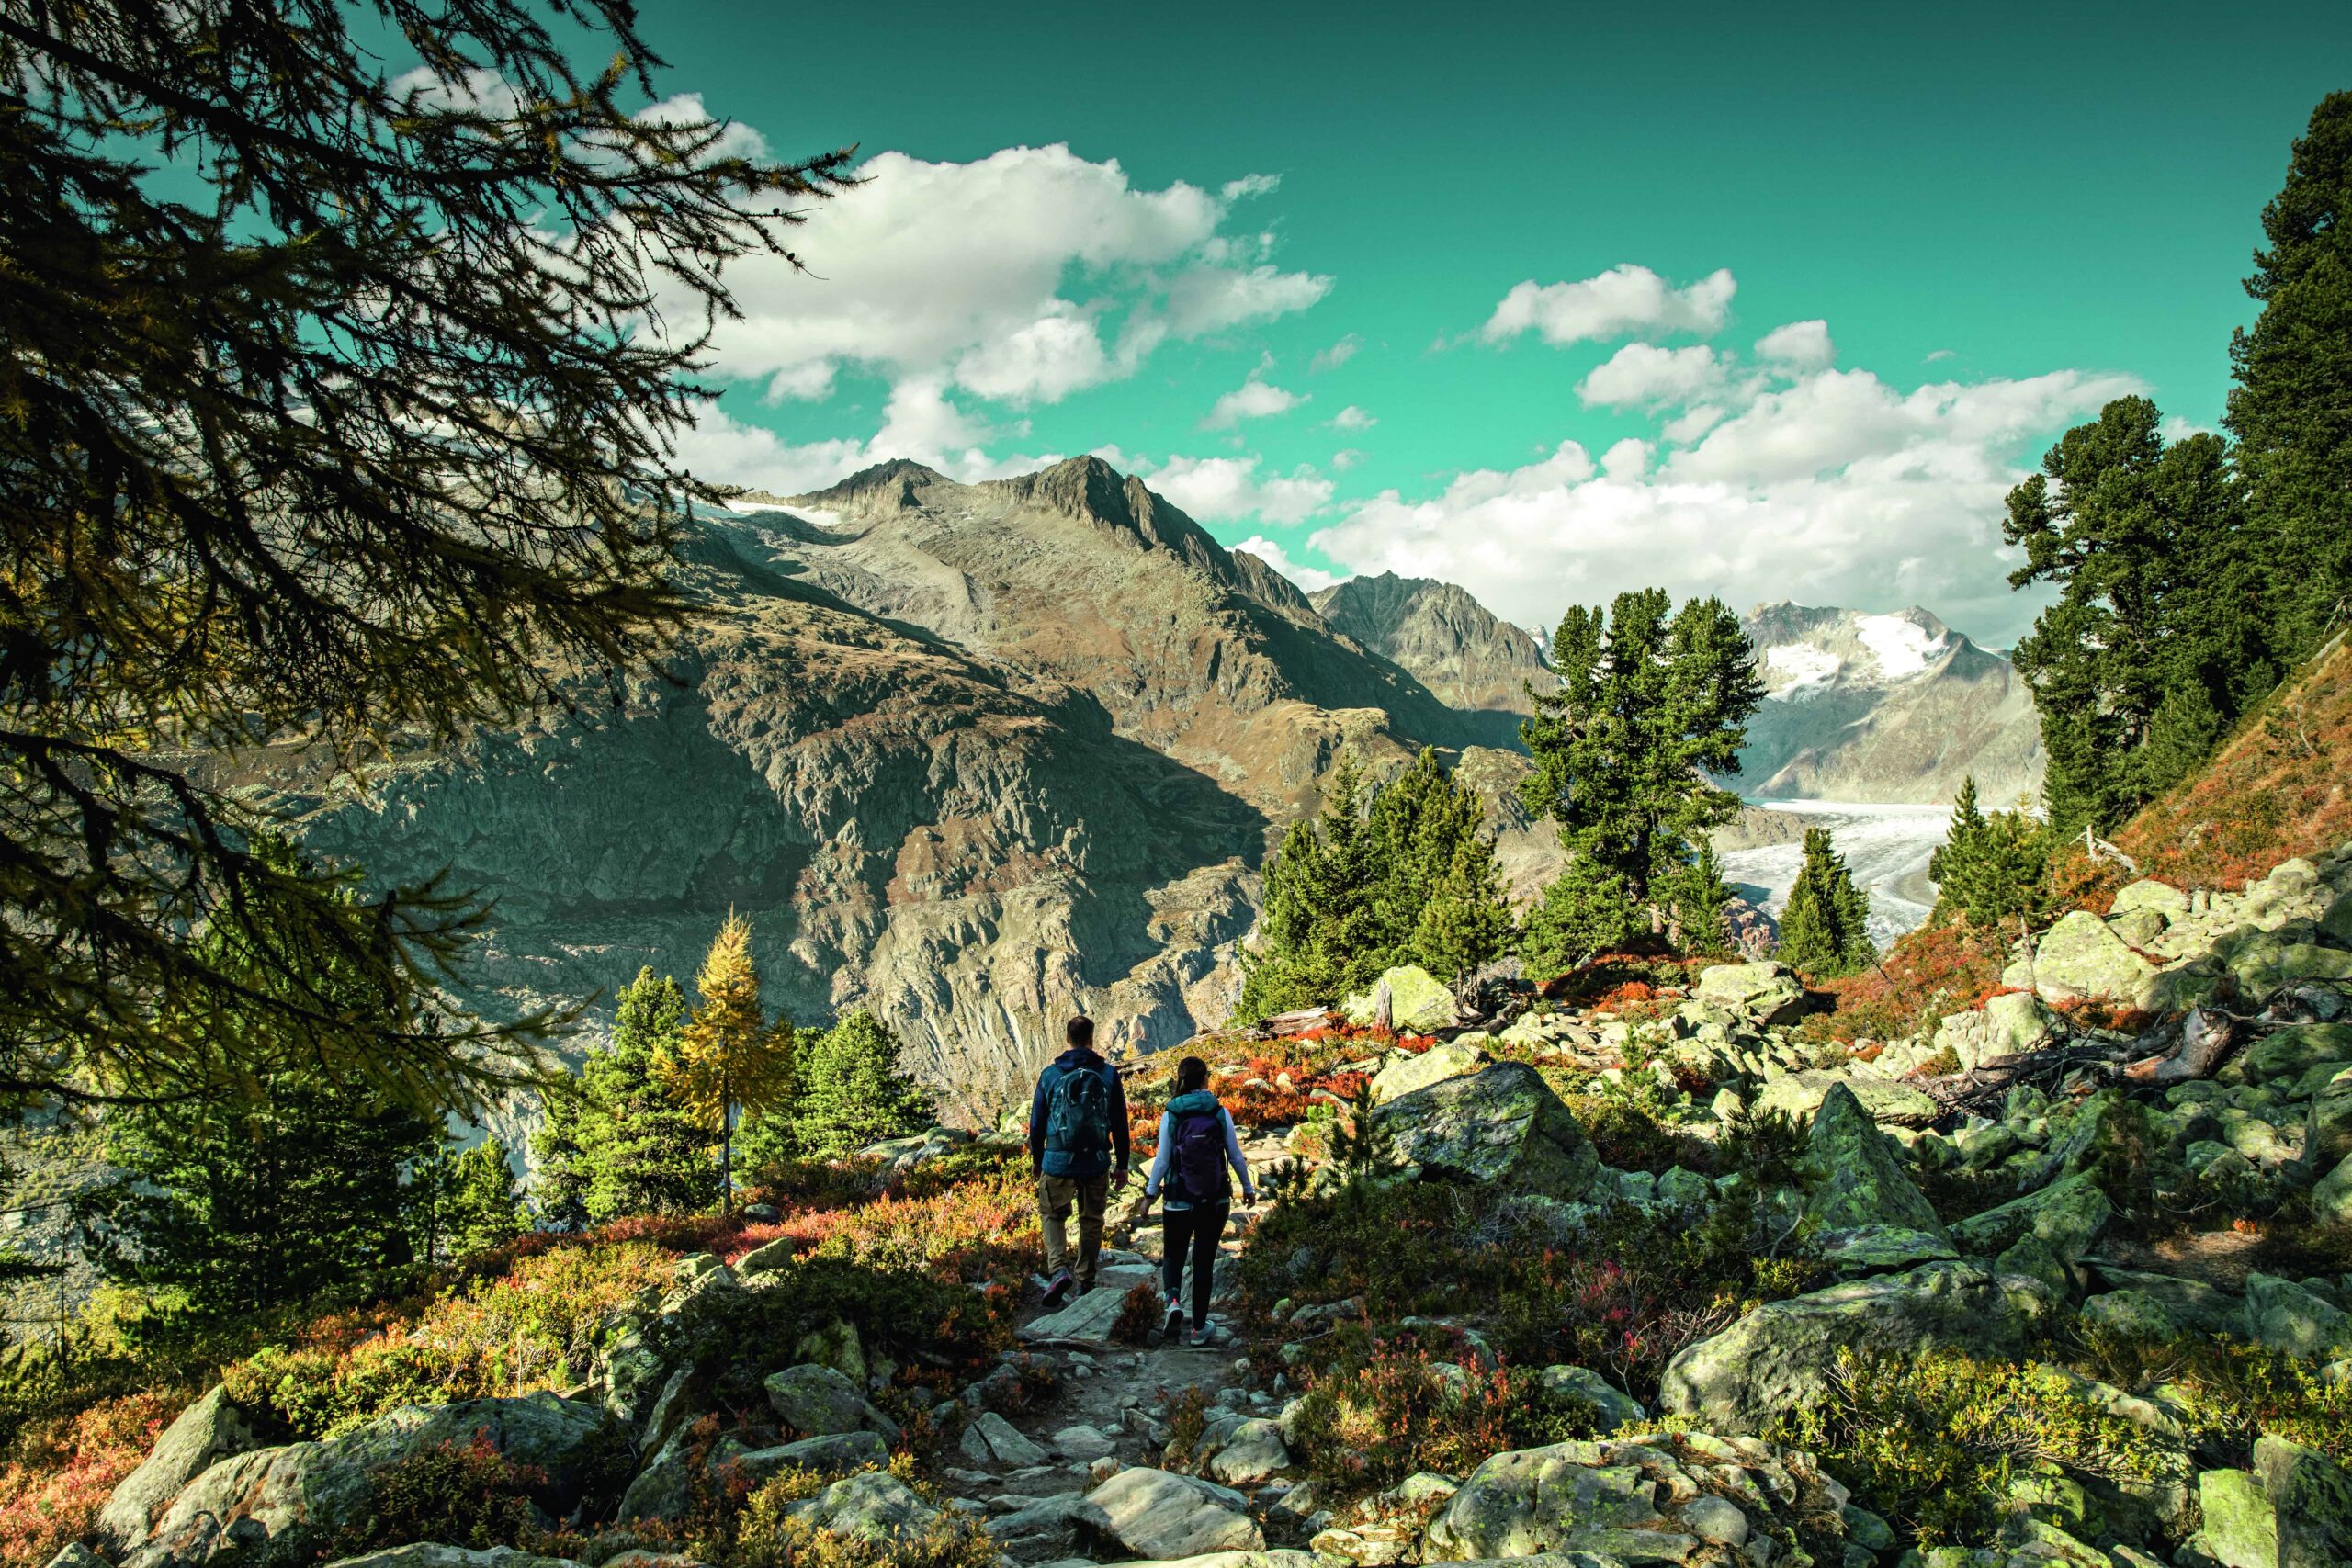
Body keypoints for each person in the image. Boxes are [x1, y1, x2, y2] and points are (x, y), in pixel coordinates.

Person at [1143, 1055, 1254, 1347]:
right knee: (1204, 1260)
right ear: (1206, 1079)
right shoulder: (1219, 1112)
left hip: (1178, 1199)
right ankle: (1199, 1329)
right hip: (1214, 1199)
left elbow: (1162, 1160)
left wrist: (1149, 1194)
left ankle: (1173, 1302)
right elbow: (1235, 1155)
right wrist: (1247, 1187)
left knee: (1173, 1255)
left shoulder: (1171, 1115)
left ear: (1180, 1080)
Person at [1029, 1015, 1129, 1306]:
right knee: (1092, 1219)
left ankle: (1059, 1269)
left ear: (1067, 1040)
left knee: (1052, 1215)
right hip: (1096, 1160)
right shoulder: (1108, 1074)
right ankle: (1086, 1280)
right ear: (1091, 1039)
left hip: (1057, 1159)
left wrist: (1038, 1159)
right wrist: (1122, 1164)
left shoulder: (1050, 1075)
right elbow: (1119, 1124)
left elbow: (1037, 1123)